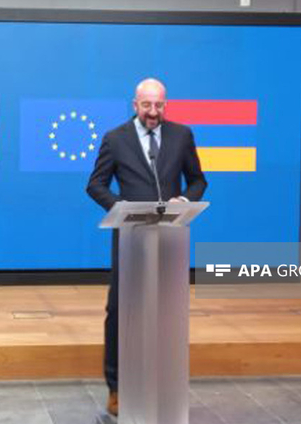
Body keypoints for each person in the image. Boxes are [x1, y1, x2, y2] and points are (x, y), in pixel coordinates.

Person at [86, 77, 207, 416]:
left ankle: (160, 383)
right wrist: (121, 207)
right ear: (134, 105)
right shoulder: (115, 139)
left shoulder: (181, 135)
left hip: (168, 238)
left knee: (164, 312)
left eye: (159, 105)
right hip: (130, 236)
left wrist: (185, 199)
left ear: (165, 105)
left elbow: (198, 180)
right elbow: (95, 184)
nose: (153, 112)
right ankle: (116, 387)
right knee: (120, 311)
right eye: (146, 105)